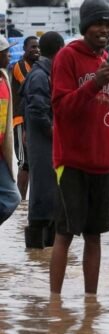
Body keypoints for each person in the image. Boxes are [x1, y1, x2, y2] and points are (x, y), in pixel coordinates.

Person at [49, 0, 109, 295]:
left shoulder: (106, 65)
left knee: (94, 236)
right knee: (65, 233)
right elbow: (60, 108)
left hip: (102, 164)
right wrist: (94, 83)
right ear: (85, 27)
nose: (104, 30)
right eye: (98, 24)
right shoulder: (67, 58)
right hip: (71, 162)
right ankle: (54, 303)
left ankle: (90, 304)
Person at [21, 32, 65, 249]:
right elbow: (38, 111)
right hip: (43, 144)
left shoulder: (46, 72)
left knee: (52, 197)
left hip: (48, 144)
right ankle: (37, 251)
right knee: (42, 195)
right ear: (59, 50)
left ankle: (42, 259)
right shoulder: (40, 76)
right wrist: (55, 132)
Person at [10, 36, 39, 200]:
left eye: (38, 47)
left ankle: (27, 203)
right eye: (33, 47)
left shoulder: (37, 66)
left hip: (33, 118)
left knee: (34, 163)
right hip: (21, 120)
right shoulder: (19, 66)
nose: (36, 50)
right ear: (25, 49)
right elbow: (32, 84)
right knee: (24, 163)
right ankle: (21, 202)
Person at [0, 36, 20, 226]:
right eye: (6, 53)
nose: (9, 56)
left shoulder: (4, 78)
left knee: (12, 198)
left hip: (1, 152)